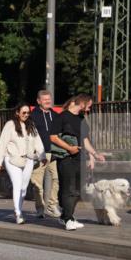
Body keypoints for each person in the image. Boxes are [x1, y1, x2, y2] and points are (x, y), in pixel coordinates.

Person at [0, 103, 45, 224]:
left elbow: (38, 141)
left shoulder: (31, 125)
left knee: (23, 188)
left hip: (28, 159)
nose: (26, 115)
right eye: (24, 113)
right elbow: (2, 143)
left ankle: (19, 210)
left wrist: (42, 156)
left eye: (28, 113)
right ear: (17, 112)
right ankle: (18, 213)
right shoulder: (10, 125)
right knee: (17, 184)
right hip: (12, 159)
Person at [49, 94, 90, 231]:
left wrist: (94, 154)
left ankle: (67, 216)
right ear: (82, 103)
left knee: (78, 190)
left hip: (80, 158)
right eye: (89, 104)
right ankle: (67, 219)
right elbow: (53, 138)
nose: (89, 107)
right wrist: (69, 148)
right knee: (68, 189)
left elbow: (84, 139)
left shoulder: (81, 118)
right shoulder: (61, 117)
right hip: (66, 158)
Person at [29, 90, 60, 218]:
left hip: (54, 152)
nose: (48, 101)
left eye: (49, 99)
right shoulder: (33, 115)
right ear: (38, 101)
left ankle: (52, 206)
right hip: (40, 153)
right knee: (37, 182)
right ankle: (40, 208)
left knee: (57, 179)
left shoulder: (55, 115)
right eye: (44, 99)